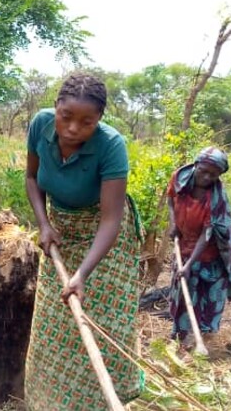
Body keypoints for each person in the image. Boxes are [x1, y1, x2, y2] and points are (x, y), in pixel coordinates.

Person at [22, 72, 144, 409]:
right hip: (59, 230)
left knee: (102, 323)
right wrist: (44, 224)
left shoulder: (111, 146)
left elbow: (110, 220)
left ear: (100, 120)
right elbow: (32, 178)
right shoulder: (40, 126)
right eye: (66, 117)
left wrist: (82, 274)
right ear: (56, 107)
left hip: (104, 240)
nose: (73, 128)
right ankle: (51, 402)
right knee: (55, 323)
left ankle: (101, 402)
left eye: (86, 122)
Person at [166, 147, 231, 349]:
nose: (207, 177)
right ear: (196, 165)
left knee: (209, 297)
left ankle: (206, 339)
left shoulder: (216, 200)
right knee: (183, 295)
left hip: (210, 255)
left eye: (213, 174)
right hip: (183, 247)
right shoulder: (179, 178)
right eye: (203, 171)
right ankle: (180, 337)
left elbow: (207, 235)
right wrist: (173, 223)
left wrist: (190, 264)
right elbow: (170, 199)